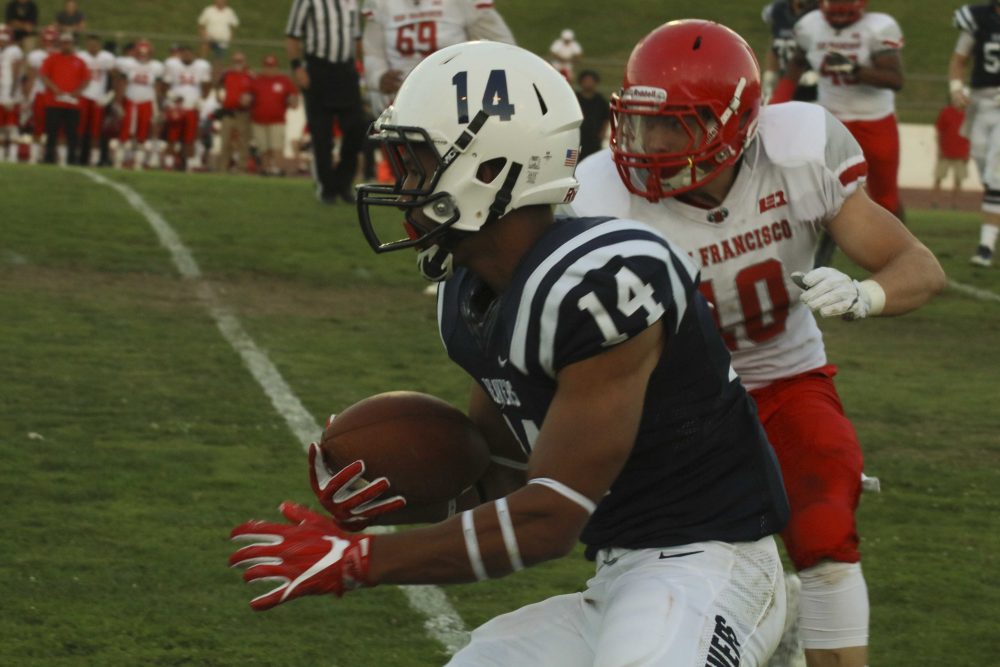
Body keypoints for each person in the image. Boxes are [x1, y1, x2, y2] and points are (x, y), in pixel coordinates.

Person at [229, 41, 791, 666]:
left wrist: (364, 563)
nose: (403, 184)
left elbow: (548, 519)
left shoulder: (602, 280)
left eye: (418, 163)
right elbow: (504, 475)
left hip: (710, 563)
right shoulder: (470, 296)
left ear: (490, 169)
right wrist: (393, 501)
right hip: (618, 579)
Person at [568, 20, 945, 667]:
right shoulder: (602, 196)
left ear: (736, 123)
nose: (649, 142)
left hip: (783, 376)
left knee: (826, 529)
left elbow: (918, 265)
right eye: (641, 121)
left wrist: (864, 295)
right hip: (672, 405)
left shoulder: (797, 155)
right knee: (653, 565)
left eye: (674, 125)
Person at [772, 0, 905, 270]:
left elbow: (896, 79)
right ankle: (822, 247)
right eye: (834, 14)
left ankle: (903, 251)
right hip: (830, 120)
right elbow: (795, 66)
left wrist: (856, 70)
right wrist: (776, 104)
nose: (838, 21)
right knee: (819, 188)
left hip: (874, 120)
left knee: (885, 194)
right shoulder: (810, 26)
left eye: (845, 15)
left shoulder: (878, 27)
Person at [360, 0, 515, 183]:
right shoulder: (381, 4)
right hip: (401, 102)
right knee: (411, 178)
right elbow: (372, 53)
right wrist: (379, 77)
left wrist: (475, 82)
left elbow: (503, 49)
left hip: (455, 105)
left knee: (455, 176)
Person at [286, 0, 365, 203]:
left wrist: (362, 67)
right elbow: (293, 34)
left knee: (356, 128)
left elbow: (356, 37)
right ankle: (327, 189)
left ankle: (343, 182)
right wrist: (297, 67)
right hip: (318, 69)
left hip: (346, 70)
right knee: (321, 134)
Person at [951, 1, 1000, 267]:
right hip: (982, 104)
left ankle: (985, 248)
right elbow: (959, 59)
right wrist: (956, 87)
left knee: (996, 174)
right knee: (984, 167)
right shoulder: (979, 18)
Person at [111, 39, 165, 170]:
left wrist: (159, 107)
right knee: (124, 131)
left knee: (142, 133)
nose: (143, 55)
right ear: (135, 53)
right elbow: (121, 82)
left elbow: (158, 88)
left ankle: (138, 162)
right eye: (140, 53)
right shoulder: (128, 63)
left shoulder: (156, 66)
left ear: (151, 53)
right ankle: (119, 161)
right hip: (130, 100)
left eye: (145, 53)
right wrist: (118, 102)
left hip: (147, 102)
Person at [38, 31, 88, 164]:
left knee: (72, 132)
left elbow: (86, 79)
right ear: (60, 44)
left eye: (69, 43)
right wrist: (55, 89)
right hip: (54, 101)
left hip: (72, 102)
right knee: (51, 131)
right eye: (64, 43)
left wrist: (77, 92)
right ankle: (49, 157)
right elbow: (44, 75)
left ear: (72, 44)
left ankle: (72, 158)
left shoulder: (79, 61)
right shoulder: (52, 58)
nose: (66, 46)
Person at [163, 44, 212, 171]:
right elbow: (165, 86)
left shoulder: (202, 66)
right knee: (172, 137)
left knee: (190, 138)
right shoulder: (172, 64)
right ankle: (169, 163)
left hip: (192, 107)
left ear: (194, 55)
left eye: (188, 54)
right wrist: (172, 97)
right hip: (176, 107)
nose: (186, 56)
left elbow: (207, 85)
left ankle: (190, 165)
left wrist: (202, 100)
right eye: (183, 54)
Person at [760, 0, 818, 103]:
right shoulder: (776, 10)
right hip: (785, 85)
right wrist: (770, 75)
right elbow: (776, 45)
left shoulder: (821, 14)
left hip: (817, 92)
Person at [249, 54, 297, 176]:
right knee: (263, 148)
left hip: (277, 120)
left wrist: (292, 101)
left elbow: (293, 97)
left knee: (277, 147)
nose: (269, 69)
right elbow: (249, 96)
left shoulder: (283, 81)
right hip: (258, 121)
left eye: (272, 66)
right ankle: (265, 170)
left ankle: (279, 169)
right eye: (267, 66)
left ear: (276, 67)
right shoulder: (257, 80)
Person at [76, 32, 114, 166]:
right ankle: (77, 155)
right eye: (90, 44)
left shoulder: (106, 57)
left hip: (98, 98)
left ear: (99, 45)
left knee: (96, 131)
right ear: (86, 45)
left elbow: (114, 77)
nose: (92, 47)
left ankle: (94, 158)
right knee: (79, 129)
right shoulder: (80, 56)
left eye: (95, 44)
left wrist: (110, 94)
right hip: (83, 96)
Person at [22, 24, 56, 164]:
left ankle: (49, 155)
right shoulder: (36, 55)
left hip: (54, 95)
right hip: (40, 93)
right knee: (38, 126)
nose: (49, 43)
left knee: (54, 127)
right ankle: (34, 156)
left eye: (52, 40)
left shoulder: (58, 55)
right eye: (47, 40)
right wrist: (27, 98)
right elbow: (30, 77)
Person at [214, 50, 252, 172]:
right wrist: (217, 95)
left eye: (240, 61)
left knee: (243, 142)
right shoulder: (227, 74)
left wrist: (249, 99)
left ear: (244, 62)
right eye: (235, 61)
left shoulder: (250, 75)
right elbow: (217, 83)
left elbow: (256, 92)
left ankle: (241, 168)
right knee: (225, 142)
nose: (237, 63)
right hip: (228, 112)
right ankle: (223, 168)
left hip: (243, 113)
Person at [934, 99, 971, 209]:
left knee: (958, 180)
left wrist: (968, 152)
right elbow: (939, 131)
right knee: (938, 177)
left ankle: (954, 204)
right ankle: (935, 202)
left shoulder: (968, 115)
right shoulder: (946, 112)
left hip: (961, 152)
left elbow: (970, 135)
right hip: (946, 152)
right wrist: (939, 149)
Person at [0, 23, 24, 162]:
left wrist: (12, 94)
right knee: (1, 126)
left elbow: (16, 73)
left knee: (12, 126)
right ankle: (2, 156)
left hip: (9, 92)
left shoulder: (14, 50)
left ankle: (13, 156)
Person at [575, 68, 607, 160]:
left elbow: (606, 118)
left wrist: (603, 133)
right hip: (578, 138)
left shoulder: (600, 101)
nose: (588, 83)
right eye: (586, 81)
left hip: (594, 140)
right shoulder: (575, 99)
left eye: (591, 81)